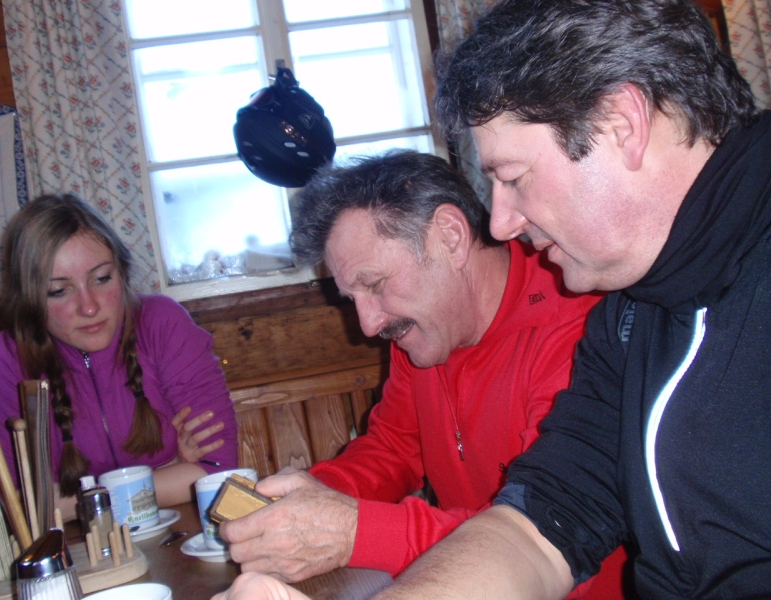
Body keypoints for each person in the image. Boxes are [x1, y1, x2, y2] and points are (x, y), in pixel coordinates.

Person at [213, 0, 771, 597]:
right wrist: (310, 505)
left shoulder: (587, 314)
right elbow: (545, 525)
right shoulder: (629, 315)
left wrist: (351, 530)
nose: (501, 223)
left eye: (512, 176)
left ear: (620, 123)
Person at [215, 150, 628, 598]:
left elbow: (551, 539)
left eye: (375, 284)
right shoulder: (421, 335)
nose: (368, 325)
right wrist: (310, 499)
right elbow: (393, 448)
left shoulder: (583, 329)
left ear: (450, 236)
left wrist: (351, 531)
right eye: (352, 299)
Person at [0, 194, 238, 518]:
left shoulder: (162, 323)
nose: (89, 307)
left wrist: (72, 501)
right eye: (58, 291)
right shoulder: (10, 356)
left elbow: (219, 474)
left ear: (122, 273)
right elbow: (21, 505)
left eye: (101, 278)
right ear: (29, 299)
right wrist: (171, 470)